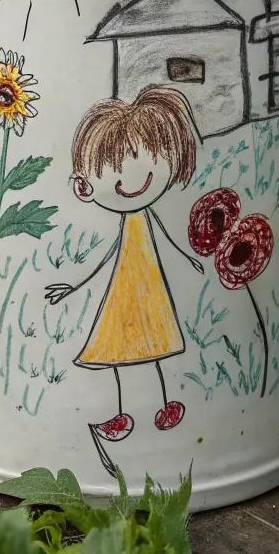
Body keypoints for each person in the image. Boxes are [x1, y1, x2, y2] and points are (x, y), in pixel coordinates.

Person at [45, 87, 203, 468]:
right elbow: (108, 258)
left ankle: (164, 406)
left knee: (152, 346)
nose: (129, 180)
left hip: (146, 287)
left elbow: (164, 239)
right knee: (117, 349)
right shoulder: (128, 223)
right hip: (125, 288)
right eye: (111, 168)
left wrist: (189, 259)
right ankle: (121, 415)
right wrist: (74, 286)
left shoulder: (144, 218)